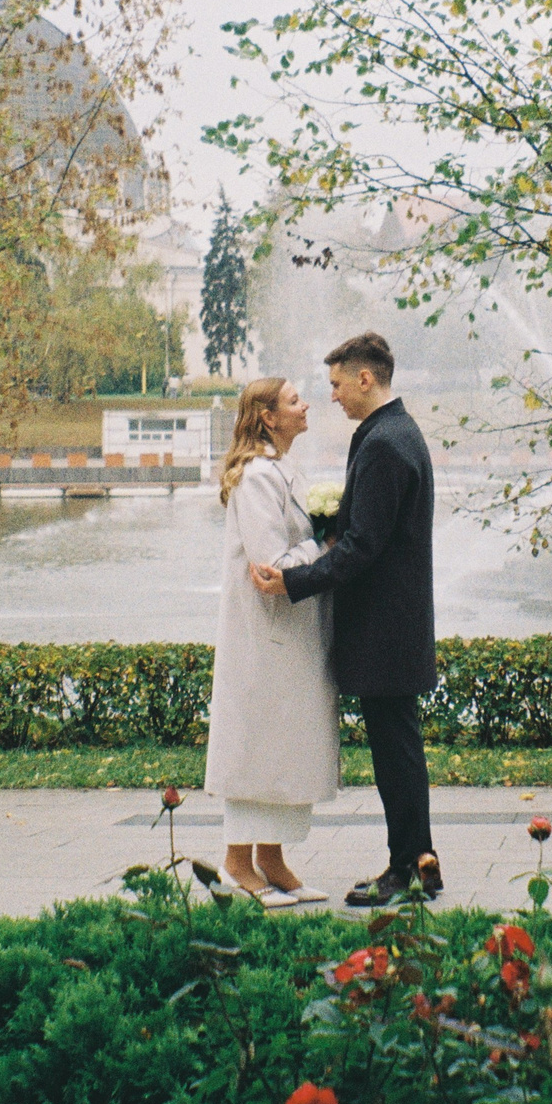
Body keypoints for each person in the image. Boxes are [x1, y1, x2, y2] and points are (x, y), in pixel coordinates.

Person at [250, 332, 440, 907]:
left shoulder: (384, 443)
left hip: (385, 630)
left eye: (335, 384)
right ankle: (421, 861)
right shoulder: (394, 433)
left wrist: (294, 580)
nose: (329, 396)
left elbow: (364, 549)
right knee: (399, 749)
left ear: (365, 378)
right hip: (397, 626)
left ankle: (405, 870)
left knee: (396, 755)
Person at [203, 377, 338, 907]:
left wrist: (317, 543)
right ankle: (238, 862)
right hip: (265, 635)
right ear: (267, 418)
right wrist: (324, 544)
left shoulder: (284, 470)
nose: (305, 406)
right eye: (293, 401)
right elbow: (270, 564)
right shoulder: (258, 477)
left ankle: (273, 858)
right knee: (258, 741)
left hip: (291, 635)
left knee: (286, 744)